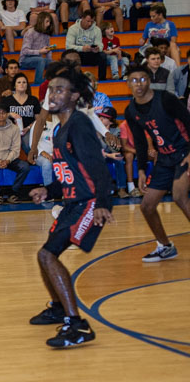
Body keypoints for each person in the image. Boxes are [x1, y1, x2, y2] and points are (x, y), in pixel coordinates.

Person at [27, 63, 113, 348]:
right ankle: (58, 306)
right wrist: (48, 189)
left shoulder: (79, 124)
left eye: (60, 90)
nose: (52, 94)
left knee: (48, 255)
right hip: (72, 202)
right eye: (51, 89)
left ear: (75, 96)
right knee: (44, 255)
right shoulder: (60, 129)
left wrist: (102, 204)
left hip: (89, 203)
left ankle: (77, 325)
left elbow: (98, 166)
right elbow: (68, 172)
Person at [124, 64, 188, 263]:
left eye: (143, 79)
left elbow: (188, 122)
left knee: (179, 196)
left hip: (184, 152)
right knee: (147, 206)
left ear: (149, 81)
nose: (139, 84)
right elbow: (140, 142)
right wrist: (142, 170)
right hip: (164, 159)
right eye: (134, 80)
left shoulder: (166, 99)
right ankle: (165, 246)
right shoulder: (131, 110)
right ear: (128, 84)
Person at [2, 74, 41, 153]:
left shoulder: (33, 100)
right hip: (11, 130)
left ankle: (32, 159)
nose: (22, 84)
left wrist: (29, 128)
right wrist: (10, 114)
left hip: (29, 130)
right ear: (14, 85)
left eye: (24, 82)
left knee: (28, 143)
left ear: (27, 85)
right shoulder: (7, 100)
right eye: (19, 82)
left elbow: (39, 119)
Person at [65, 10, 107, 80]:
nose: (90, 24)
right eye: (88, 21)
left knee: (102, 55)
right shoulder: (73, 29)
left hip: (91, 54)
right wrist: (82, 48)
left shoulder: (97, 30)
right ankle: (72, 79)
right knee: (68, 55)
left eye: (92, 21)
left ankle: (102, 79)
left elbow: (100, 44)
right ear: (82, 18)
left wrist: (98, 48)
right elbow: (68, 46)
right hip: (78, 54)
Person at [19, 12, 55, 84]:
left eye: (50, 22)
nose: (48, 24)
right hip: (25, 60)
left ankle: (48, 81)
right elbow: (25, 51)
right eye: (47, 21)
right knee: (41, 60)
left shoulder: (46, 34)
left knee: (54, 63)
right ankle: (38, 82)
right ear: (41, 21)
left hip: (38, 59)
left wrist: (50, 60)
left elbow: (48, 50)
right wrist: (39, 51)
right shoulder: (30, 32)